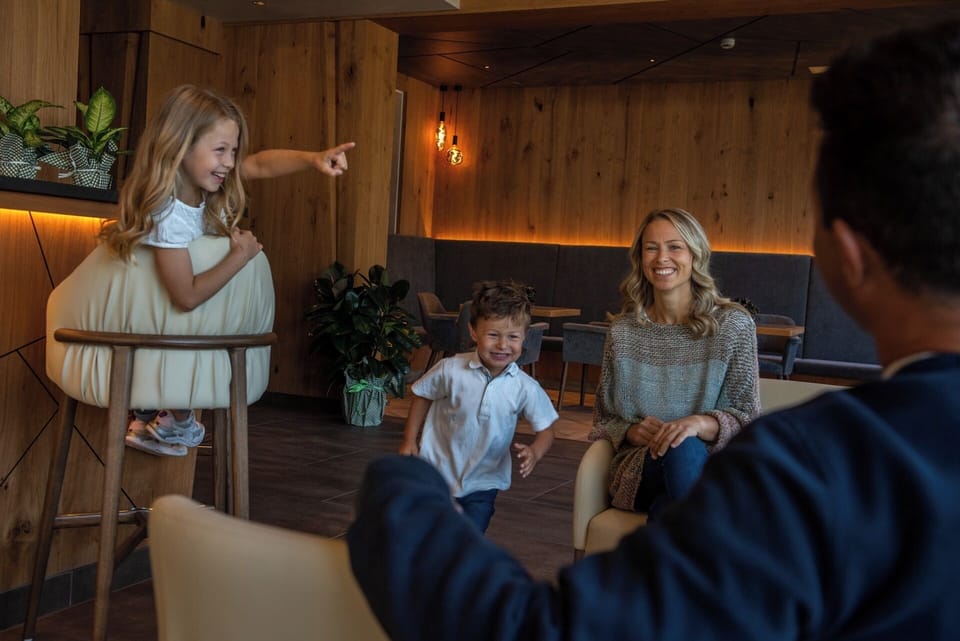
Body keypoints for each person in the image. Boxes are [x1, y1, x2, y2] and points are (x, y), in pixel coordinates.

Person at [346, 19, 960, 641]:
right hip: (647, 468)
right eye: (648, 248)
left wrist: (402, 485)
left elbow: (526, 630)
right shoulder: (815, 463)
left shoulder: (817, 468)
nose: (660, 259)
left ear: (845, 257)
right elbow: (612, 419)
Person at [99, 84, 355, 456]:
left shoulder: (200, 194)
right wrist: (241, 255)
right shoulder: (167, 213)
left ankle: (155, 416)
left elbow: (260, 164)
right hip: (155, 342)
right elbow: (185, 296)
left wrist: (312, 158)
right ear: (180, 145)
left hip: (161, 341)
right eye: (220, 150)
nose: (231, 162)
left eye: (233, 151)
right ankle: (170, 415)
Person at [592, 207, 759, 519]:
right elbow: (603, 420)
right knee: (681, 448)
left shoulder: (733, 325)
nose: (661, 258)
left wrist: (697, 424)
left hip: (714, 468)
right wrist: (631, 432)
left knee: (669, 510)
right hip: (641, 470)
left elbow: (747, 418)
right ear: (640, 259)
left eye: (675, 247)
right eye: (651, 248)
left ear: (695, 255)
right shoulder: (623, 333)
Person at [398, 279, 557, 533]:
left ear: (524, 337)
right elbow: (422, 395)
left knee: (467, 540)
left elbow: (546, 429)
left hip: (483, 483)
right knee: (426, 535)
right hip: (435, 474)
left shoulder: (525, 387)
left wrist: (535, 452)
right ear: (474, 332)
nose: (503, 345)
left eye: (513, 337)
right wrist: (409, 440)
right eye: (493, 335)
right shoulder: (450, 369)